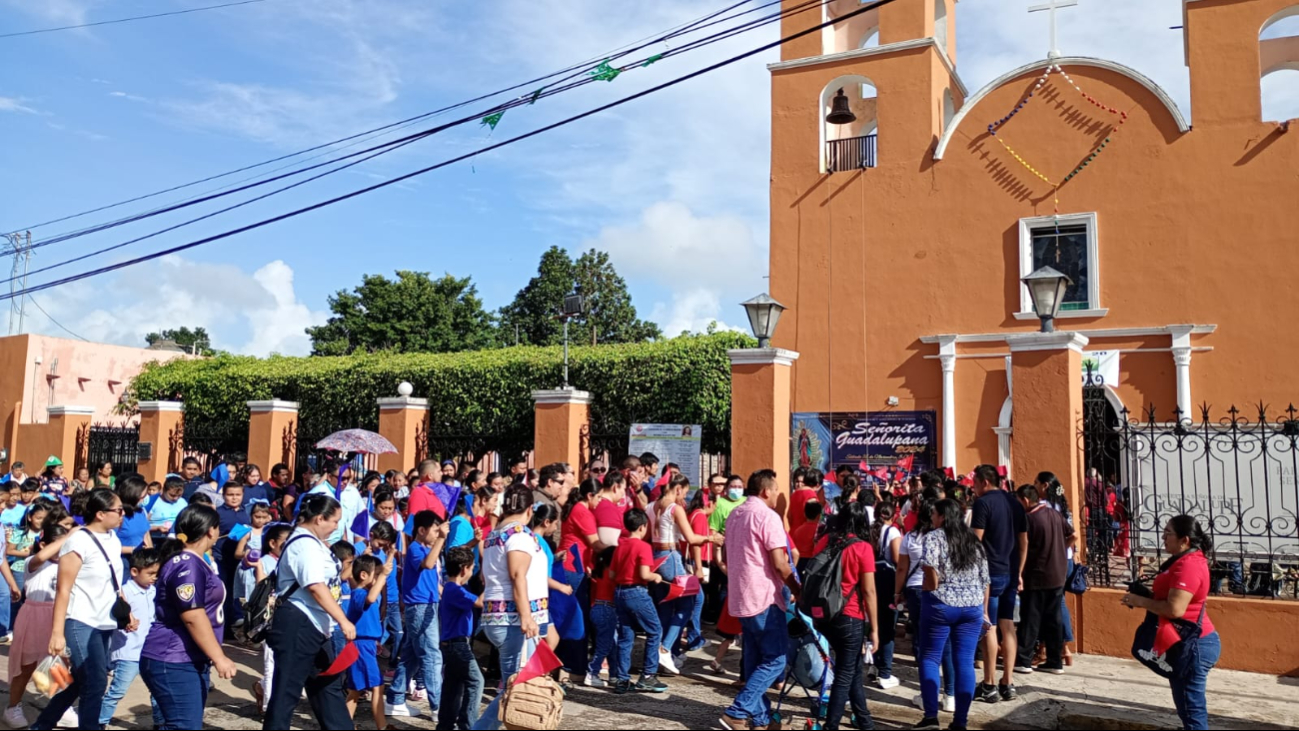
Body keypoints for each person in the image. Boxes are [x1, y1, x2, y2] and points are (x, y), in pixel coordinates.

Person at [31, 488, 136, 731]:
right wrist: (57, 632)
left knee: (82, 681)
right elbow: (63, 589)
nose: (123, 515)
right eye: (119, 510)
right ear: (100, 513)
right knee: (96, 682)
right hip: (81, 621)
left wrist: (127, 612)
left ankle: (43, 724)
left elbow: (115, 583)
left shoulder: (113, 538)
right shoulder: (78, 541)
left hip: (106, 621)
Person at [264, 492, 356, 731]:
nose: (337, 526)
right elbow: (315, 586)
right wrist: (343, 620)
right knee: (286, 693)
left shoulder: (315, 543)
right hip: (299, 623)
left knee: (328, 687)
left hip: (316, 626)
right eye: (334, 521)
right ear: (319, 518)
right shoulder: (304, 544)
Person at [718, 470, 802, 731]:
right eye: (776, 490)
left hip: (741, 595)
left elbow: (725, 551)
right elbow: (780, 563)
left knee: (755, 659)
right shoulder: (768, 516)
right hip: (763, 596)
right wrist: (798, 588)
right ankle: (737, 710)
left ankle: (762, 719)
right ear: (766, 490)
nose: (777, 494)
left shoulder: (735, 514)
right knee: (775, 659)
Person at [1121, 515, 1220, 731]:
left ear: (1184, 540)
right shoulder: (1182, 560)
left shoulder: (1188, 566)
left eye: (1168, 534)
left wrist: (1140, 601)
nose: (1163, 538)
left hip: (1194, 645)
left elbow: (1175, 609)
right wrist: (1146, 594)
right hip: (1185, 641)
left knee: (1192, 711)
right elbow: (1170, 599)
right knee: (1186, 708)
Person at [473, 485, 549, 731]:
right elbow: (518, 576)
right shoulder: (519, 535)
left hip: (502, 617)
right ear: (529, 510)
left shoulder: (497, 534)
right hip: (513, 619)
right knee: (515, 687)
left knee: (514, 686)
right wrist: (527, 616)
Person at [916, 499, 991, 731]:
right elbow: (985, 580)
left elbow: (929, 567)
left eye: (934, 514)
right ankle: (960, 721)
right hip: (972, 607)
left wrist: (930, 585)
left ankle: (930, 717)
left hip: (940, 604)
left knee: (930, 657)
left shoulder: (934, 537)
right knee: (965, 663)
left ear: (942, 517)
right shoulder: (974, 542)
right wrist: (985, 611)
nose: (932, 518)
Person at [4, 513, 73, 729]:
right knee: (26, 667)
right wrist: (69, 536)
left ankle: (59, 707)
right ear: (43, 544)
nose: (61, 550)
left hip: (58, 617)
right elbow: (41, 557)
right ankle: (13, 707)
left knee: (59, 664)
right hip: (34, 617)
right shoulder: (31, 563)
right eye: (57, 545)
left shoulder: (68, 564)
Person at [649, 474, 721, 675]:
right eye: (685, 492)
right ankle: (665, 649)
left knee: (665, 607)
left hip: (657, 556)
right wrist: (711, 538)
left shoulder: (652, 506)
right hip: (670, 555)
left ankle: (659, 655)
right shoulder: (675, 508)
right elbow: (690, 538)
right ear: (678, 488)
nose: (685, 497)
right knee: (688, 603)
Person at [817, 500, 879, 731]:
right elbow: (869, 591)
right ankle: (830, 726)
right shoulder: (862, 547)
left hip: (824, 615)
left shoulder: (825, 540)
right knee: (845, 674)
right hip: (850, 615)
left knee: (851, 668)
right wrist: (874, 628)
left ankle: (865, 721)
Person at [969, 464, 1027, 704]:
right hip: (1011, 573)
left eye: (974, 483)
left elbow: (975, 541)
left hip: (989, 575)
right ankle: (1008, 681)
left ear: (984, 482)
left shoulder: (983, 504)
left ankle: (989, 683)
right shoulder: (1015, 503)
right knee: (1008, 626)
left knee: (989, 626)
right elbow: (1024, 541)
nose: (973, 488)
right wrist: (1019, 571)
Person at [1014, 483, 1073, 676]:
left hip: (1037, 575)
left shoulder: (1028, 519)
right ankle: (1055, 661)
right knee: (1053, 620)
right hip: (1057, 574)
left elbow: (1023, 547)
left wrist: (1019, 573)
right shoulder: (1055, 514)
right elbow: (1073, 536)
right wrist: (1060, 549)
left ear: (1024, 500)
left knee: (1030, 619)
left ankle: (1024, 659)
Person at [396, 509, 450, 718]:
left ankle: (395, 696)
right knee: (431, 655)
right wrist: (442, 540)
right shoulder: (415, 549)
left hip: (428, 604)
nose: (438, 534)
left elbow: (432, 577)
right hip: (419, 606)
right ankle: (438, 707)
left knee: (411, 655)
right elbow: (427, 564)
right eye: (435, 530)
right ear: (421, 530)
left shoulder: (426, 549)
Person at [100, 548, 163, 728]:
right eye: (150, 573)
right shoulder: (124, 593)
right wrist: (124, 622)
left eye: (156, 574)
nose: (154, 577)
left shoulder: (153, 591)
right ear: (134, 572)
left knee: (157, 690)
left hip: (150, 651)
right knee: (117, 691)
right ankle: (99, 721)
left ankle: (160, 722)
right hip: (129, 653)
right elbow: (114, 617)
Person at [610, 508, 667, 694]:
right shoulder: (643, 547)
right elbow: (644, 573)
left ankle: (622, 679)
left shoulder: (621, 546)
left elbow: (612, 573)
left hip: (619, 592)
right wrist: (655, 576)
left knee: (626, 636)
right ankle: (648, 675)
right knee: (654, 630)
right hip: (637, 591)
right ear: (643, 527)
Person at [345, 552, 395, 731]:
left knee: (355, 691)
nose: (378, 579)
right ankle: (382, 726)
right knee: (377, 687)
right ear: (363, 575)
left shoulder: (363, 593)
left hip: (367, 643)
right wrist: (384, 575)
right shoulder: (359, 593)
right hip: (362, 646)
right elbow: (371, 598)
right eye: (376, 574)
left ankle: (343, 724)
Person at [438, 546, 485, 730]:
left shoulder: (452, 589)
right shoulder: (455, 590)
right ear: (464, 568)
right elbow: (479, 602)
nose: (472, 572)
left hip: (452, 644)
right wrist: (491, 582)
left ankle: (446, 725)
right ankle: (467, 725)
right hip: (458, 645)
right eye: (472, 568)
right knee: (476, 681)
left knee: (453, 686)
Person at [252, 523, 292, 715]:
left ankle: (260, 688)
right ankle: (270, 709)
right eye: (285, 543)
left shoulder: (292, 560)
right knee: (271, 664)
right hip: (269, 620)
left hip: (289, 618)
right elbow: (261, 588)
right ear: (272, 543)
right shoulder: (265, 562)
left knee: (286, 664)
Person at [871, 498, 903, 690]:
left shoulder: (871, 530)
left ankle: (874, 664)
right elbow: (898, 559)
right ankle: (886, 672)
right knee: (888, 627)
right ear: (893, 515)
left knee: (875, 623)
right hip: (888, 582)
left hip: (872, 578)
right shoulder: (892, 532)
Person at [216, 481, 250, 628]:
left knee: (237, 593)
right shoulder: (218, 513)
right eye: (230, 495)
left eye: (238, 495)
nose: (234, 498)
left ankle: (235, 623)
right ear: (223, 495)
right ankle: (222, 624)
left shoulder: (247, 512)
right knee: (223, 592)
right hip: (221, 558)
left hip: (240, 560)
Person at [584, 546, 618, 689]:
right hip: (607, 608)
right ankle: (592, 673)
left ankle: (614, 674)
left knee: (610, 642)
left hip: (596, 607)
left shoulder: (599, 573)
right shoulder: (612, 574)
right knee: (604, 645)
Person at [235, 503, 273, 606]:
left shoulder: (268, 530)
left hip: (265, 566)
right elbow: (237, 553)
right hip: (249, 568)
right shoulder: (247, 531)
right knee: (250, 595)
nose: (260, 520)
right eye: (257, 517)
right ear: (251, 515)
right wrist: (246, 554)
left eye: (264, 517)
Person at [115, 475, 154, 571]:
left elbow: (146, 535)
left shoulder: (141, 511)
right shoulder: (119, 515)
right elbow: (107, 545)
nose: (145, 498)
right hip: (123, 563)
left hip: (141, 563)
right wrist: (133, 549)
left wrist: (151, 555)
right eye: (143, 496)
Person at [146, 477, 188, 544]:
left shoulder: (183, 503)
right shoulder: (152, 502)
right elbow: (142, 525)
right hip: (156, 540)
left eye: (179, 495)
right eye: (172, 495)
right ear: (163, 490)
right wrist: (157, 528)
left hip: (177, 541)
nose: (175, 498)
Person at [789, 468, 823, 535]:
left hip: (793, 533)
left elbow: (789, 516)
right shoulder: (811, 496)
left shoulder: (794, 494)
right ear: (818, 485)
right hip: (806, 534)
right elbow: (813, 519)